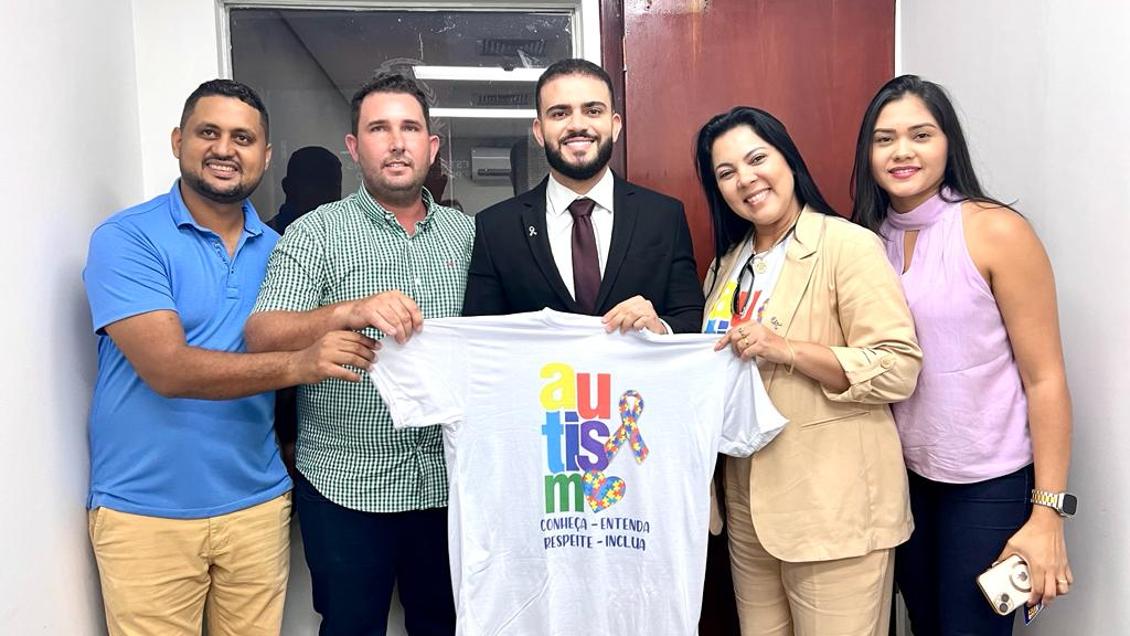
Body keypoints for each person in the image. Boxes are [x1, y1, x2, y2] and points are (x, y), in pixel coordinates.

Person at [82, 79, 375, 636]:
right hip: (145, 515)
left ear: (265, 156)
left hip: (257, 509)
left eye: (243, 138)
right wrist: (301, 362)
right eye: (208, 132)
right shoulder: (128, 239)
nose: (225, 149)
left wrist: (352, 314)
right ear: (177, 141)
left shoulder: (281, 251)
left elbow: (303, 328)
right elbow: (168, 368)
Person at [244, 72, 472, 635]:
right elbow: (262, 332)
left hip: (452, 483)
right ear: (354, 146)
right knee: (350, 627)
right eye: (378, 128)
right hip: (347, 484)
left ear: (431, 146)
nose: (397, 142)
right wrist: (345, 311)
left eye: (410, 128)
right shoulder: (314, 234)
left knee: (446, 625)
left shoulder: (470, 236)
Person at [850, 74, 1075, 635]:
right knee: (919, 624)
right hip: (898, 479)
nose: (902, 151)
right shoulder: (862, 240)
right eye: (885, 139)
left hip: (987, 485)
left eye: (920, 135)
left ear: (948, 143)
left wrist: (1047, 512)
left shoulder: (996, 230)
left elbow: (1044, 378)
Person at [695, 106, 922, 636]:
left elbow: (897, 367)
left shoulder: (847, 245)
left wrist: (788, 349)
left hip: (832, 508)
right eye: (725, 173)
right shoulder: (726, 265)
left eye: (757, 159)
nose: (745, 179)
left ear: (788, 160)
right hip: (748, 509)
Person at [462, 58, 704, 333]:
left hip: (636, 377)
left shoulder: (663, 217)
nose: (577, 125)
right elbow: (479, 336)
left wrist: (659, 327)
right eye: (559, 113)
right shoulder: (496, 227)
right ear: (539, 132)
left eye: (592, 111)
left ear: (614, 125)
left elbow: (691, 317)